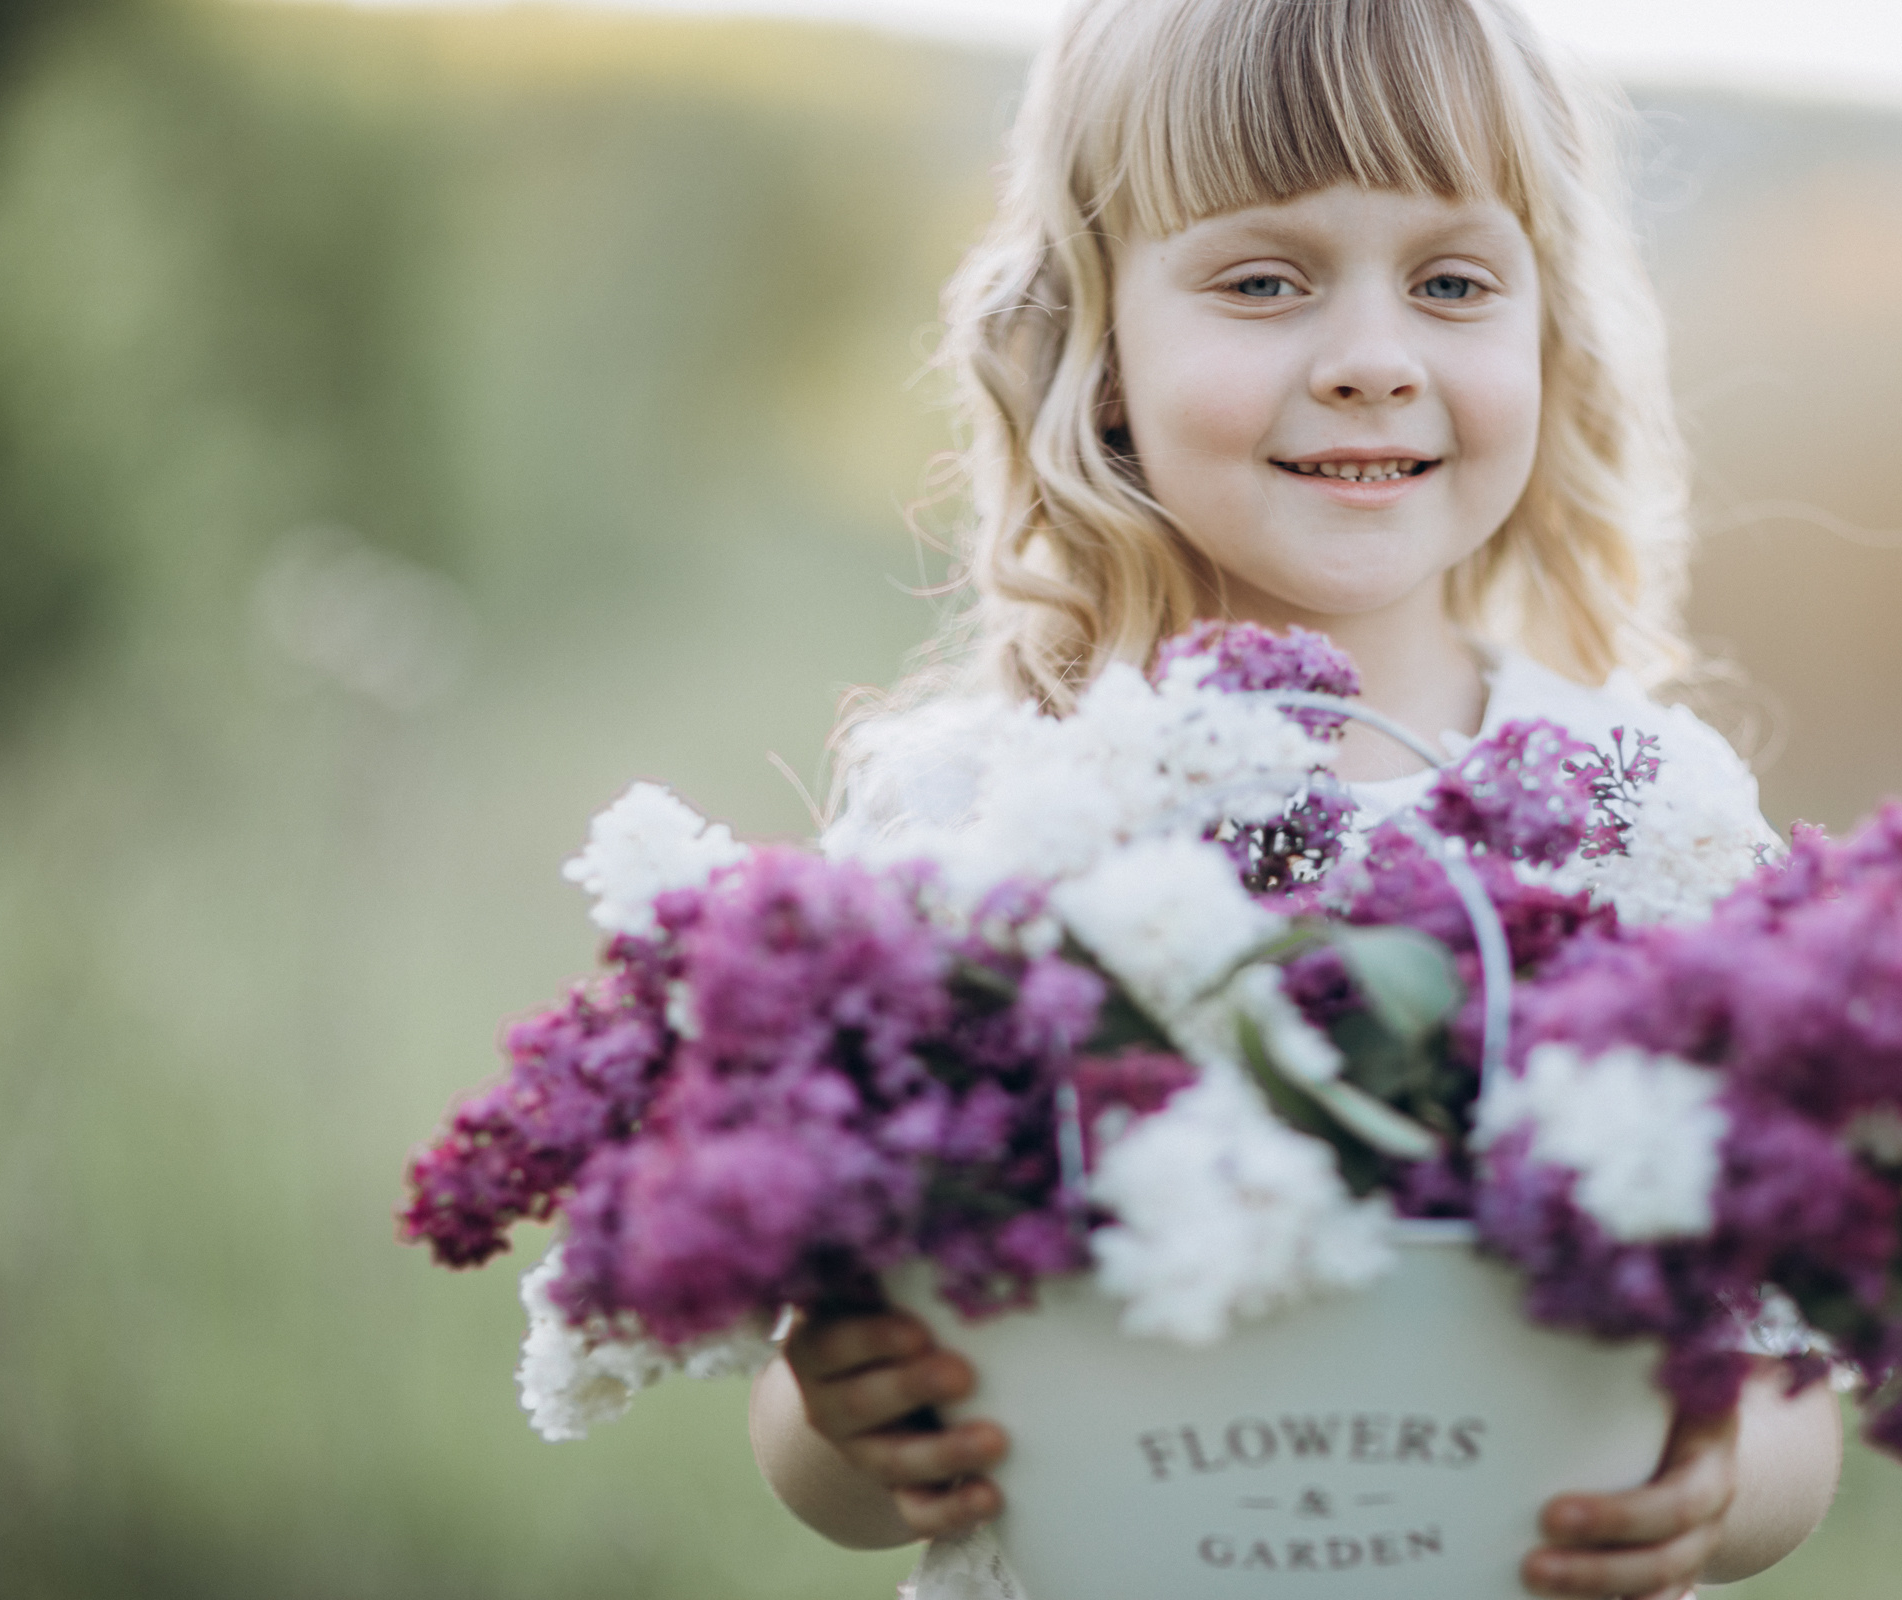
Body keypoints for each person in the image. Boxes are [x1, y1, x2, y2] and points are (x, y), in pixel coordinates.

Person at [748, 0, 1845, 1594]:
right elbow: (819, 1440)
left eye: (1454, 284)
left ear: (1547, 331)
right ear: (1097, 343)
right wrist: (846, 1425)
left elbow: (1785, 1381)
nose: (1374, 363)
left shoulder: (1645, 814)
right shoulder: (966, 812)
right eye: (1264, 282)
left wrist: (1719, 1478)